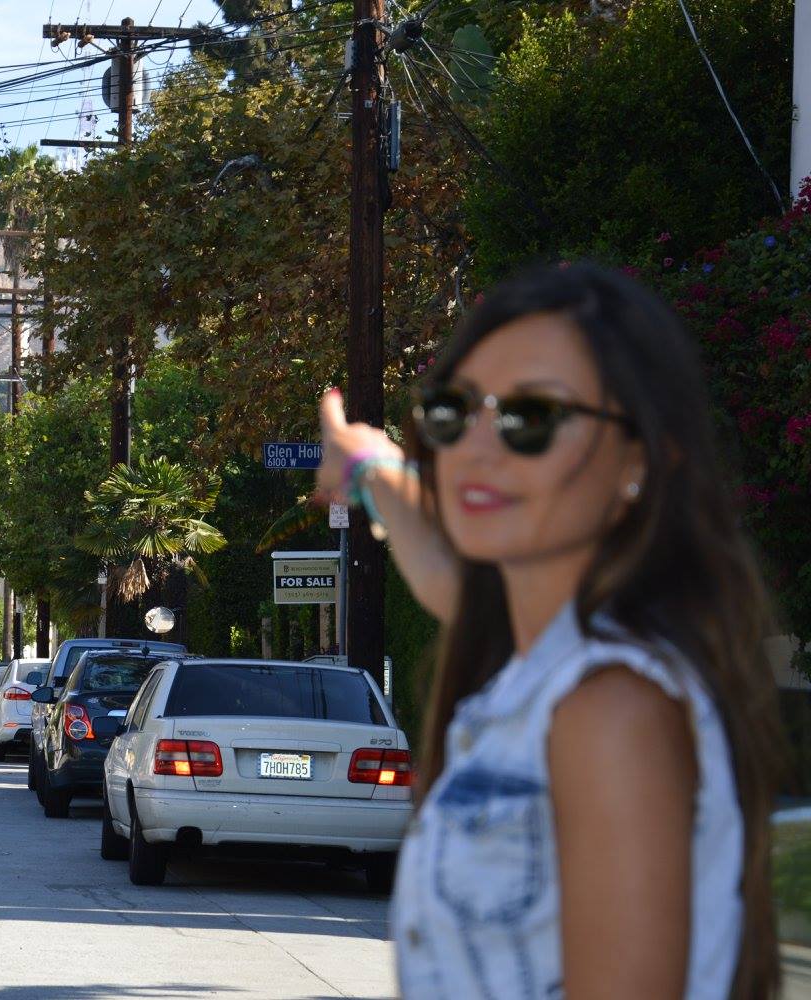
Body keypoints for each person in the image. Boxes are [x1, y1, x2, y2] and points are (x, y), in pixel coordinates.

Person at [317, 262, 782, 999]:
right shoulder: (536, 652)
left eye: (529, 418)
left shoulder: (610, 708)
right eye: (451, 412)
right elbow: (440, 566)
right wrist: (366, 464)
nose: (474, 446)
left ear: (641, 459)